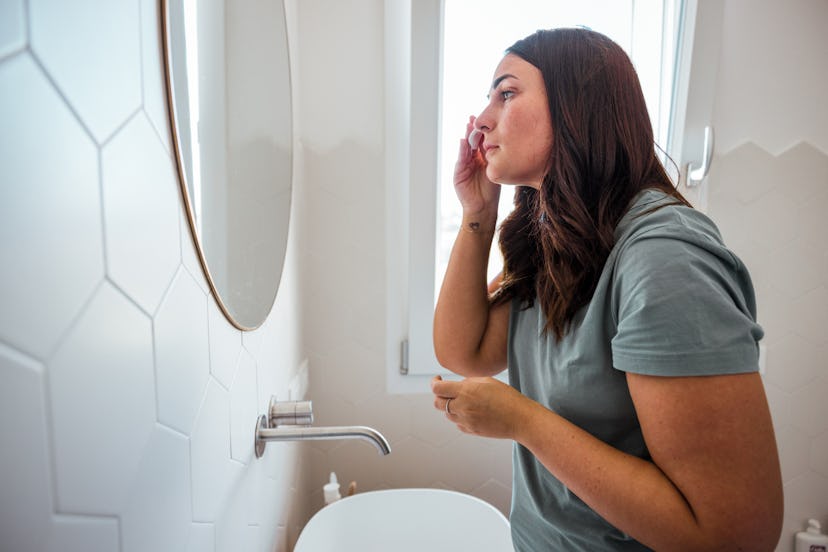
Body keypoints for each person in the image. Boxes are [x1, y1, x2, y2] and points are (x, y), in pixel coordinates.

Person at [430, 28, 783, 551]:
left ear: (577, 108)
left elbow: (734, 536)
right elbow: (467, 350)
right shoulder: (559, 236)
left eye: (506, 93)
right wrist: (477, 212)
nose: (483, 118)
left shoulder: (664, 259)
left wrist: (522, 420)